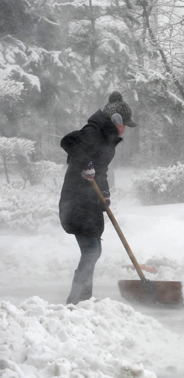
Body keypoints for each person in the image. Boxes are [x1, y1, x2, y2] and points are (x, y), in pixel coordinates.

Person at [59, 91, 137, 304]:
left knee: (95, 249)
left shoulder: (106, 138)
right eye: (124, 125)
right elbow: (68, 141)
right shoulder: (93, 132)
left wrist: (104, 192)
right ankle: (77, 300)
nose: (124, 130)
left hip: (89, 201)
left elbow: (99, 171)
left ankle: (82, 297)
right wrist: (86, 165)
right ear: (116, 120)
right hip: (76, 202)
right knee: (92, 250)